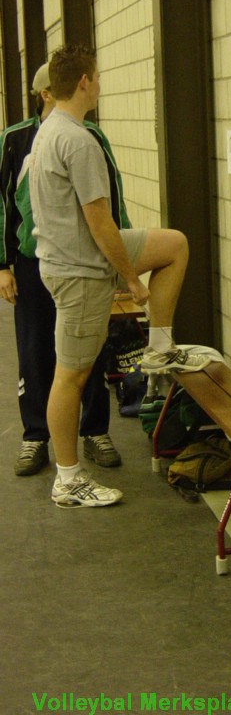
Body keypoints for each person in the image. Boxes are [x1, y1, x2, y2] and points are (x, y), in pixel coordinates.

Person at [28, 44, 208, 508]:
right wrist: (131, 280)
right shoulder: (76, 140)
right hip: (82, 270)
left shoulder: (51, 129)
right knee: (71, 375)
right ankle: (68, 479)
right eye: (98, 77)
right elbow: (100, 222)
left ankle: (160, 349)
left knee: (174, 245)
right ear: (85, 82)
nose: (100, 84)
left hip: (76, 256)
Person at [0, 62, 131, 476]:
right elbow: (3, 205)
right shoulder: (16, 139)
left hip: (83, 262)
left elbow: (112, 200)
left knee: (86, 350)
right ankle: (36, 436)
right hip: (32, 259)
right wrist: (2, 264)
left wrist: (121, 264)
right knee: (36, 349)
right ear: (47, 94)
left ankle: (94, 430)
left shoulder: (89, 137)